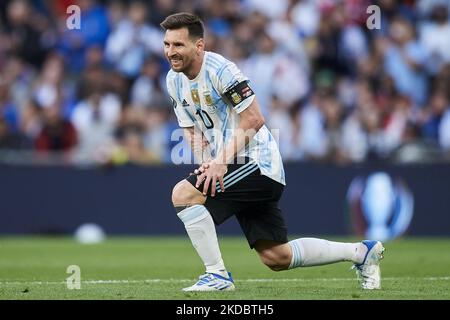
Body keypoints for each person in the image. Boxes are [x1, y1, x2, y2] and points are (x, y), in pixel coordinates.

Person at [161, 12, 385, 292]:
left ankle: (217, 275)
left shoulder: (221, 71)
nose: (171, 52)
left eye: (178, 45)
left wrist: (219, 161)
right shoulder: (174, 80)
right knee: (276, 257)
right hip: (233, 164)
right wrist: (208, 162)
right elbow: (190, 129)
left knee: (183, 195)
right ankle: (361, 253)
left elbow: (254, 119)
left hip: (257, 162)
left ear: (199, 46)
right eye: (167, 44)